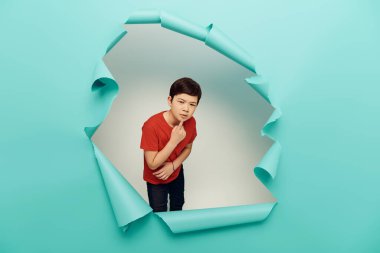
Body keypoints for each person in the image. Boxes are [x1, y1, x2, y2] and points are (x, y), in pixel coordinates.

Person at [140, 77, 202, 212]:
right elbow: (152, 164)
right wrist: (174, 141)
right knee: (159, 212)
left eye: (192, 104)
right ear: (170, 101)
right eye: (181, 102)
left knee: (178, 205)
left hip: (176, 170)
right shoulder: (151, 126)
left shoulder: (191, 122)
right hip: (156, 177)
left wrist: (173, 166)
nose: (186, 109)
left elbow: (188, 148)